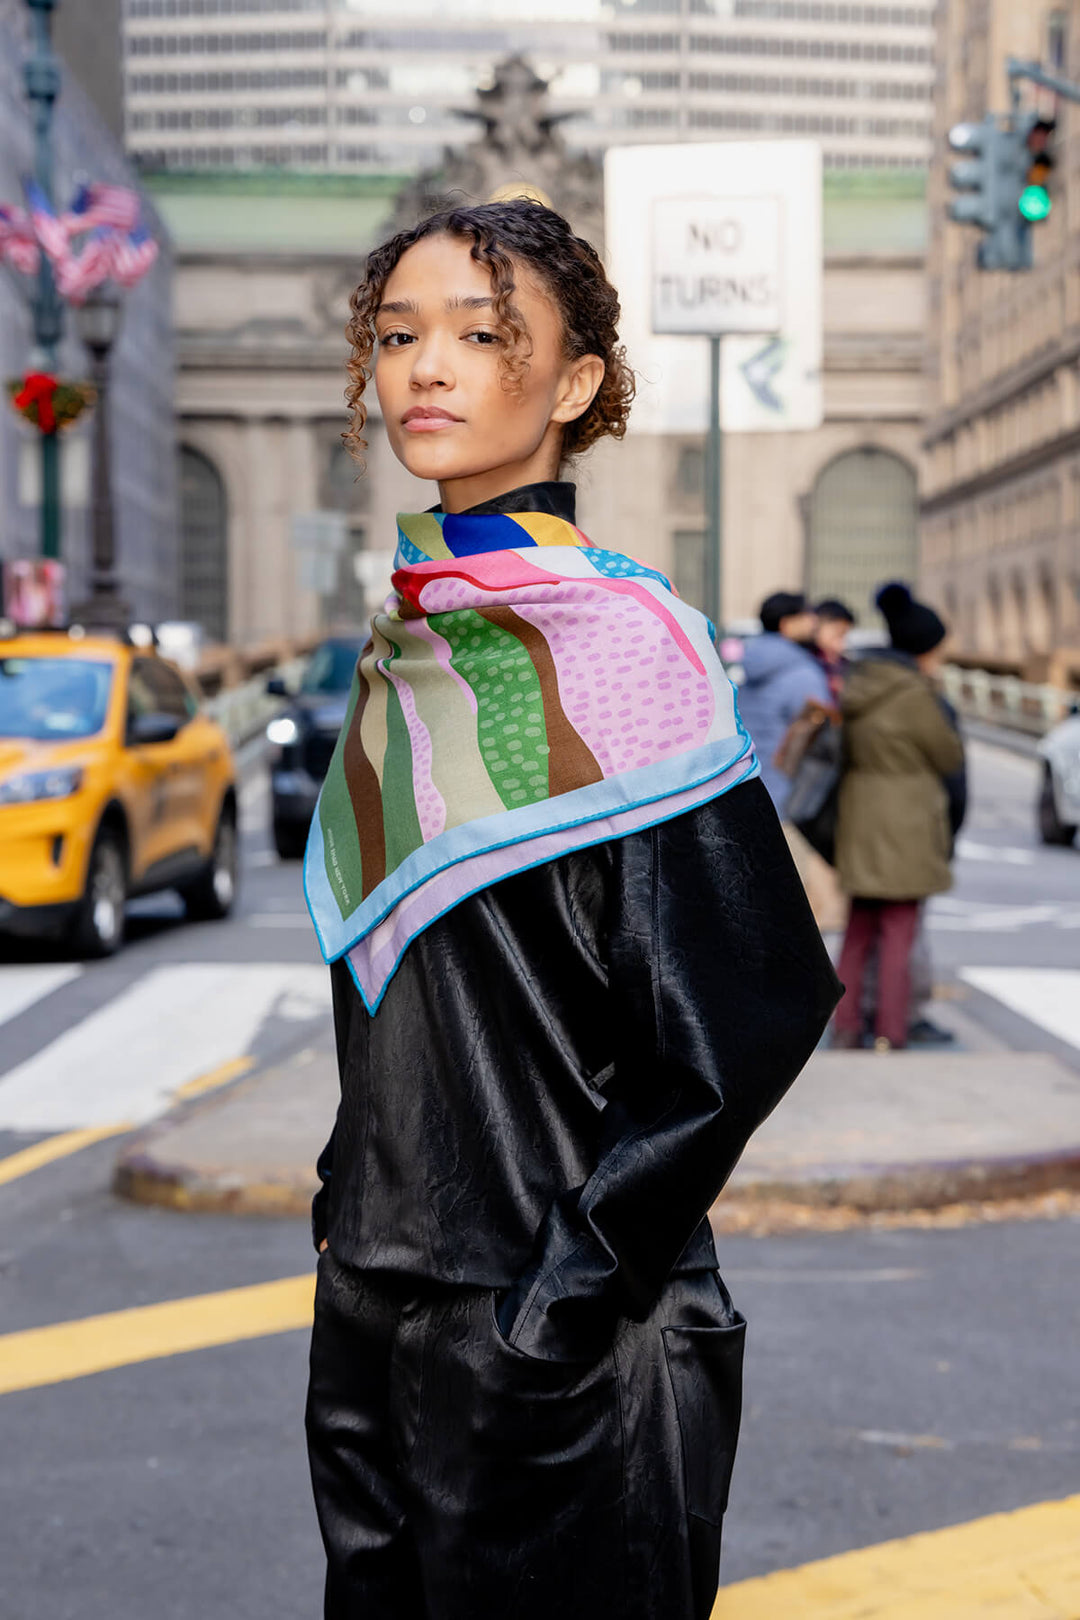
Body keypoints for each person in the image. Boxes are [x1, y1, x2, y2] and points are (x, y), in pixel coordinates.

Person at [302, 199, 840, 1620]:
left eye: (484, 338)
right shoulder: (418, 643)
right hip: (375, 1290)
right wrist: (344, 1207)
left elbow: (758, 1002)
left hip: (547, 1329)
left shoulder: (620, 647)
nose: (426, 369)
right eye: (399, 335)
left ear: (576, 383)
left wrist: (564, 1295)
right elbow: (412, 971)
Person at [832, 581, 965, 1051]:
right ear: (924, 649)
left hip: (859, 819)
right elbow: (949, 757)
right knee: (898, 935)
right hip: (907, 826)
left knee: (858, 931)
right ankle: (891, 1031)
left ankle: (846, 1027)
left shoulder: (857, 684)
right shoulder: (915, 695)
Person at [737, 590, 831, 817]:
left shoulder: (750, 666)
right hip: (790, 799)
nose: (814, 621)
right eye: (807, 615)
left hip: (749, 788)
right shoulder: (803, 673)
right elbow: (823, 739)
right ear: (787, 624)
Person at [812, 597, 855, 704]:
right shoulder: (804, 660)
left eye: (844, 635)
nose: (841, 644)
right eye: (837, 634)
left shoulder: (844, 664)